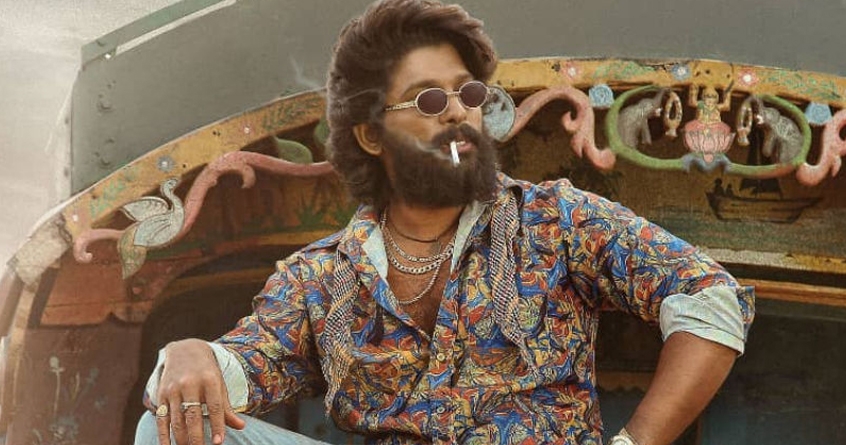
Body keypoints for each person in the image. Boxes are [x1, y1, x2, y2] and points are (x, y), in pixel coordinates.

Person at [134, 1, 755, 444]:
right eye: (430, 100)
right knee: (166, 426)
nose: (459, 112)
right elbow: (236, 370)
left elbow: (709, 295)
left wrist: (634, 443)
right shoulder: (319, 277)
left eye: (470, 94)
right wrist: (189, 354)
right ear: (371, 135)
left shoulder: (555, 220)